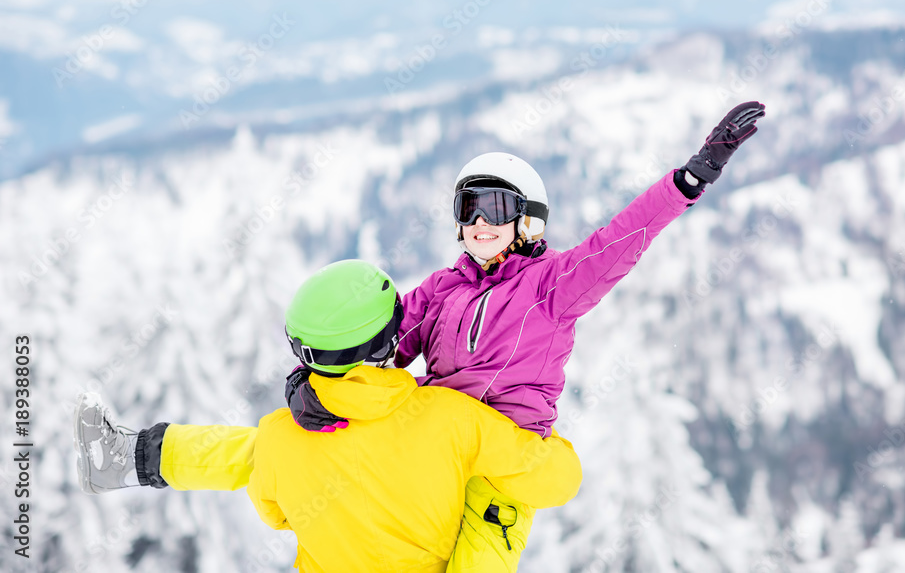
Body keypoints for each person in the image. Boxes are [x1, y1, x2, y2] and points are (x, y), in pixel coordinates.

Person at [74, 101, 765, 570]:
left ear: (529, 219)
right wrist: (319, 387)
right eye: (468, 208)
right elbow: (377, 338)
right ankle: (131, 455)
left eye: (495, 208)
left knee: (477, 554)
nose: (478, 223)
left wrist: (690, 177)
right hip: (433, 438)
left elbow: (618, 245)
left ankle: (130, 457)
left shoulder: (552, 288)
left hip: (501, 461)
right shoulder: (443, 288)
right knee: (261, 446)